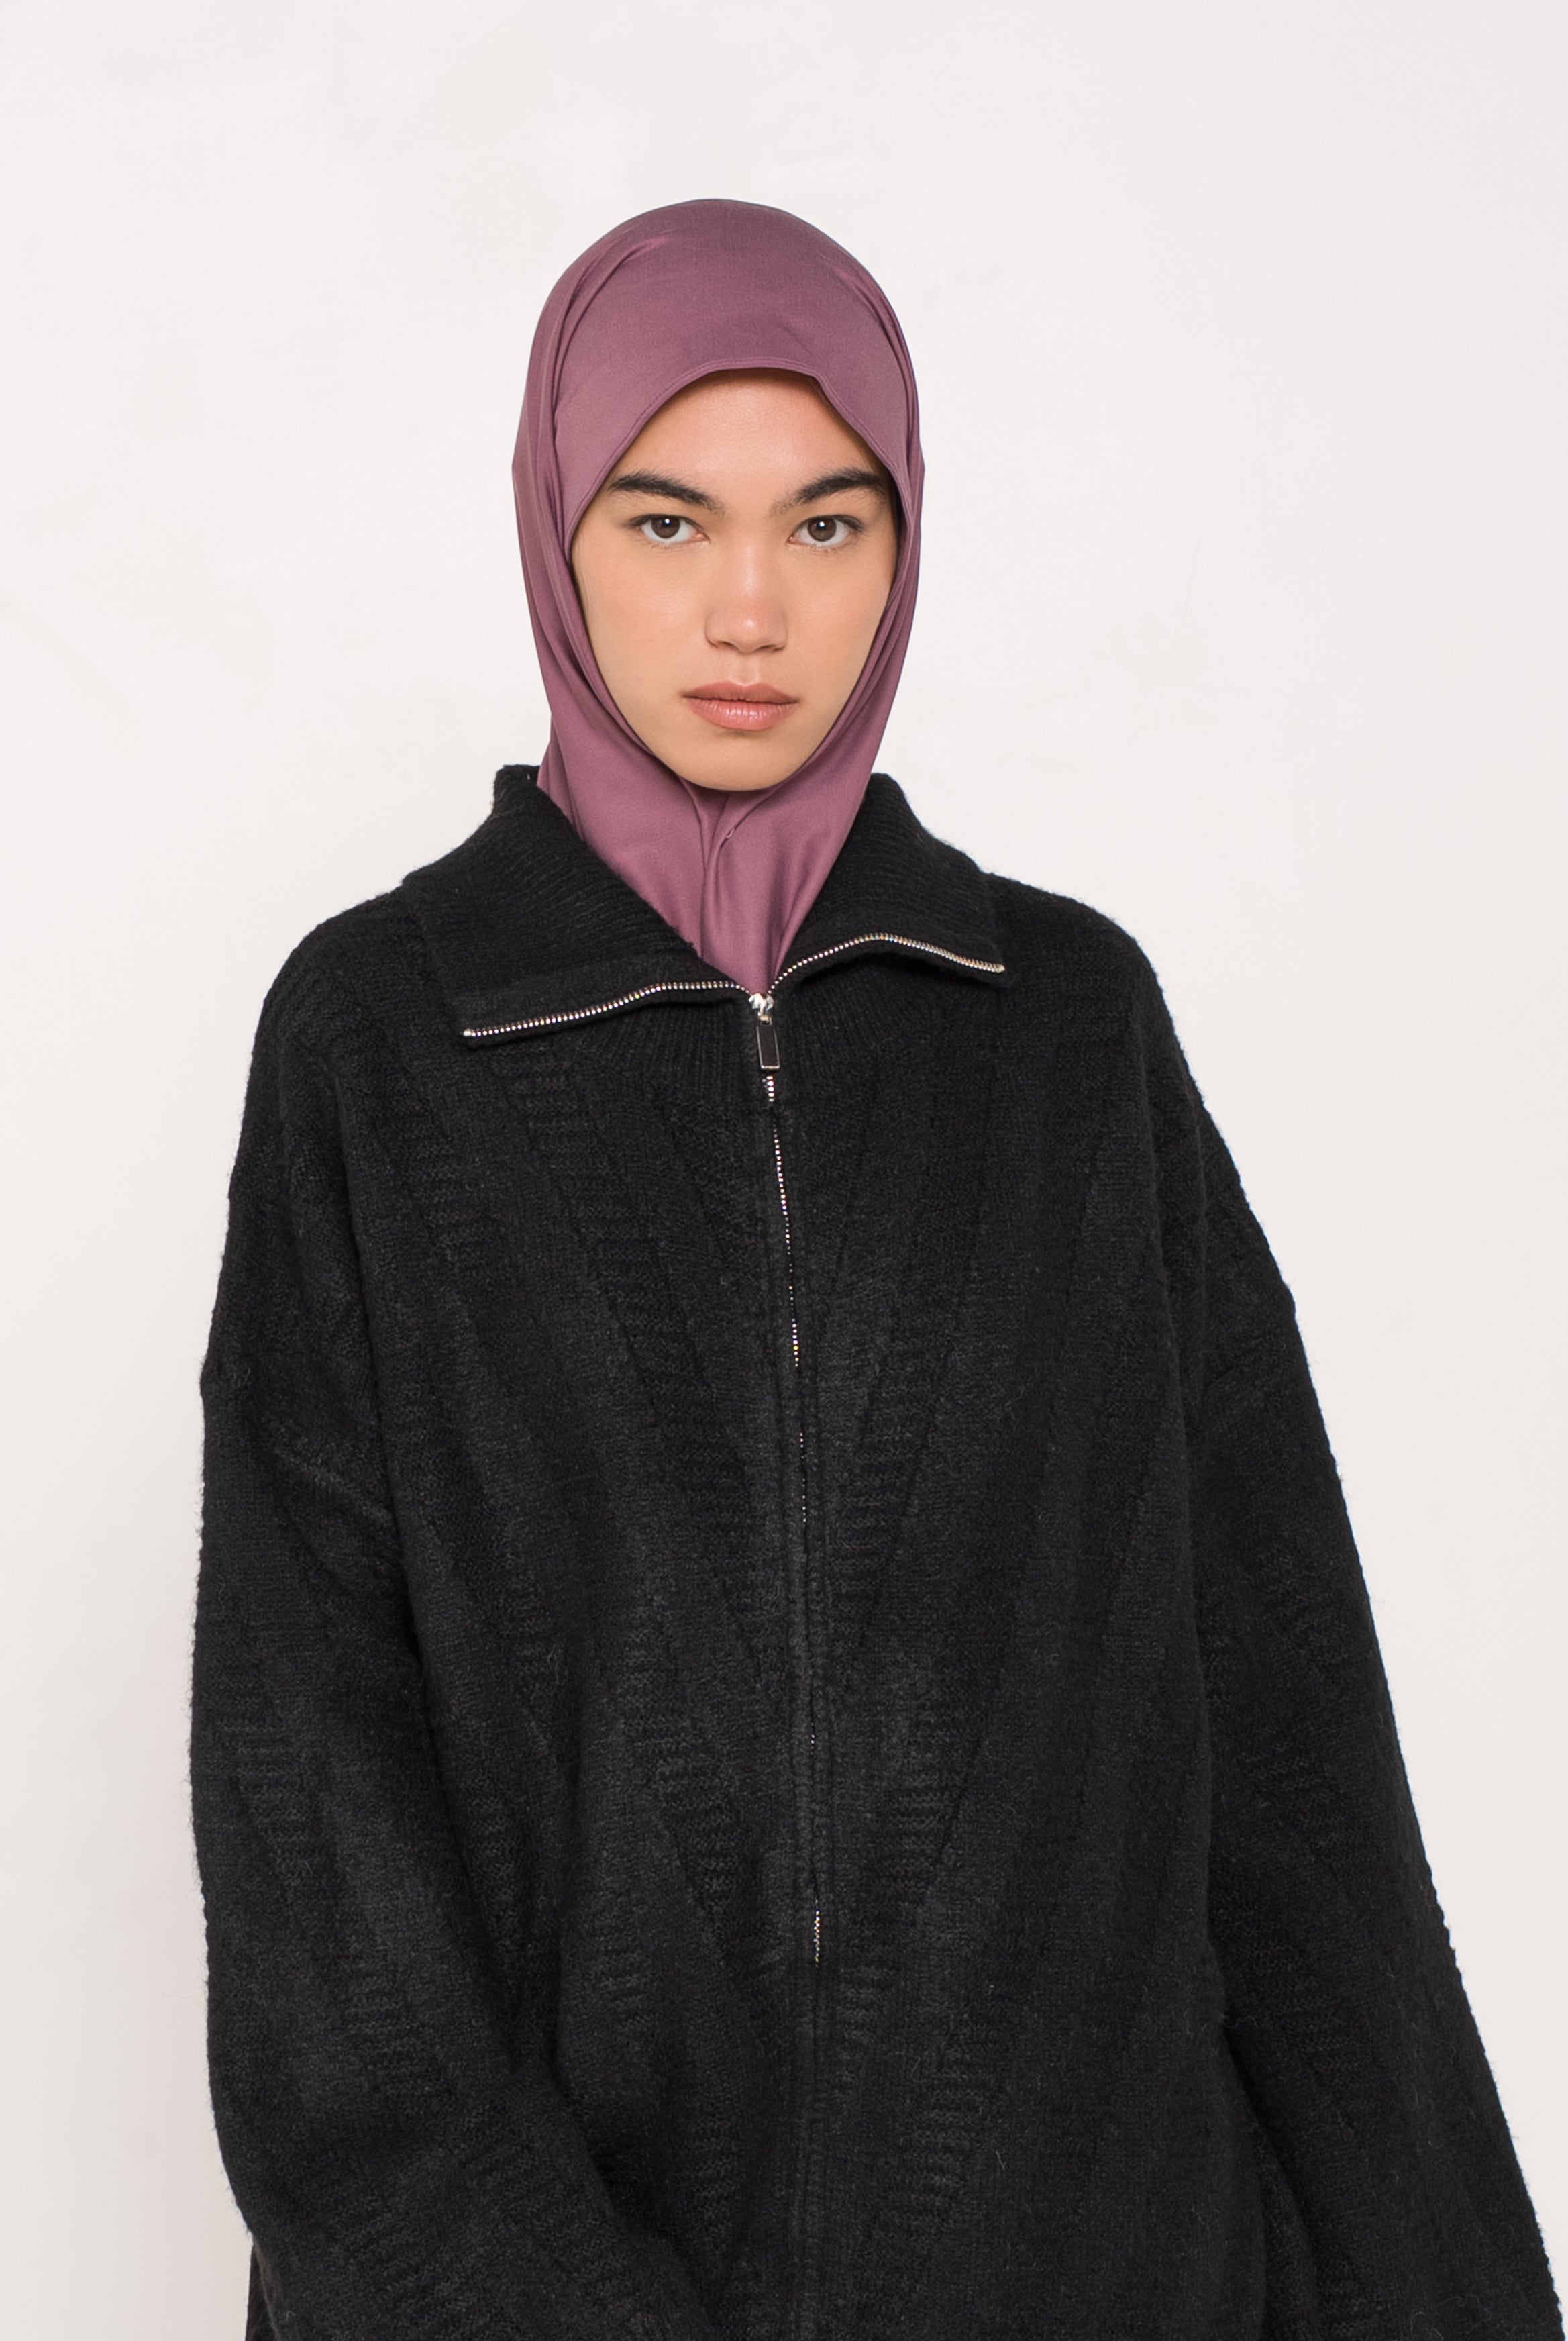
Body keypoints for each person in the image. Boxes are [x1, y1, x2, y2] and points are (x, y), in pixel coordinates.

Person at [189, 199, 1561, 2341]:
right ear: (555, 527)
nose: (750, 608)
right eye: (666, 521)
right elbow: (312, 1825)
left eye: (826, 525)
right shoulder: (386, 1041)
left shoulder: (1061, 1026)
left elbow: (1288, 1744)